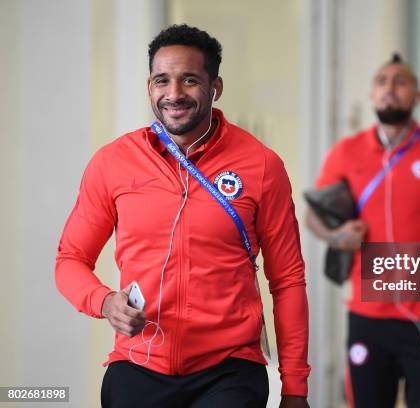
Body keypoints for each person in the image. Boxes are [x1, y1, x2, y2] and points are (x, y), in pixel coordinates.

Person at [55, 24, 310, 408]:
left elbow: (288, 280)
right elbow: (69, 260)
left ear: (215, 87)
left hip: (229, 370)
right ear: (149, 87)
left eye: (189, 80)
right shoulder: (112, 163)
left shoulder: (261, 166)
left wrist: (294, 387)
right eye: (162, 80)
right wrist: (105, 302)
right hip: (137, 363)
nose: (173, 94)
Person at [305, 54, 420, 408]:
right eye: (382, 81)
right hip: (367, 316)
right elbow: (312, 217)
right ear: (372, 96)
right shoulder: (346, 152)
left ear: (417, 97)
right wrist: (336, 236)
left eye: (401, 81)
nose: (390, 88)